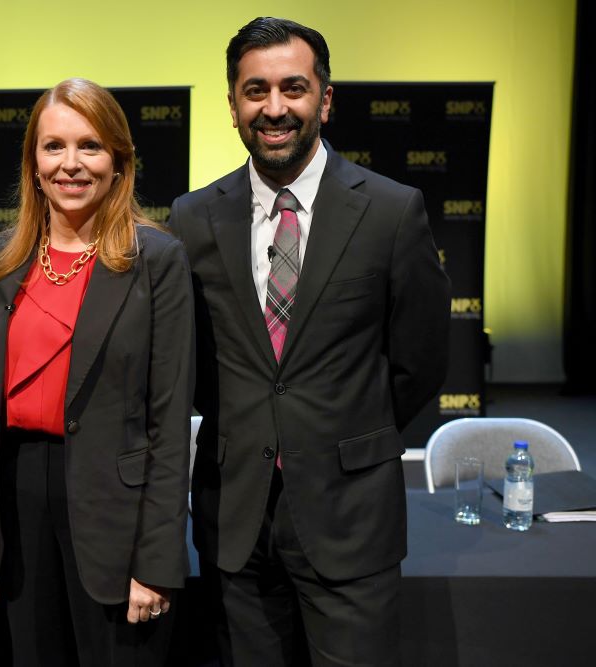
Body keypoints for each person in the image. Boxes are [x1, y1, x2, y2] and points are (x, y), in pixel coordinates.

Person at [169, 17, 451, 667]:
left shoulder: (391, 210)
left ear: (324, 99)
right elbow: (197, 366)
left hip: (350, 516)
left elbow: (421, 362)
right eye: (255, 90)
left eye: (293, 88)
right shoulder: (192, 218)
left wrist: (344, 435)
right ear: (233, 105)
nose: (274, 108)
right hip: (234, 521)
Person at [0, 78, 194, 666]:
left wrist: (157, 560)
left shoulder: (157, 261)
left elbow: (169, 424)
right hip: (18, 505)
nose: (70, 164)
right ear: (33, 162)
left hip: (116, 517)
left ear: (119, 162)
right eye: (53, 147)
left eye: (89, 146)